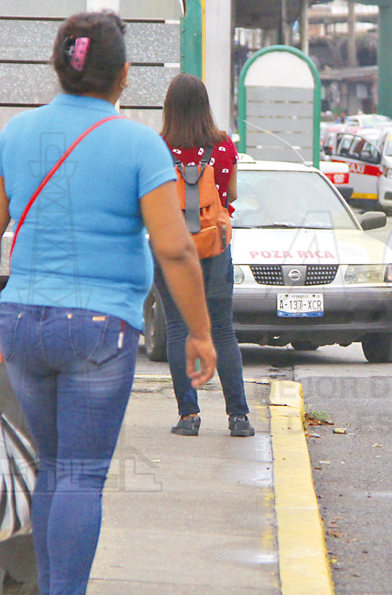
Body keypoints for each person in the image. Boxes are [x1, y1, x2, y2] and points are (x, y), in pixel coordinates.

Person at [0, 12, 217, 595]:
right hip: (99, 329)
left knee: (53, 468)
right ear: (124, 76)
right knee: (79, 474)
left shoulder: (16, 135)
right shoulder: (138, 145)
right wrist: (203, 332)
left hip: (23, 319)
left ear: (59, 67)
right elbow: (176, 246)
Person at [158, 73, 254, 438]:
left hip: (170, 250)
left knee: (179, 329)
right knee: (224, 331)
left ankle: (188, 416)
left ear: (169, 107)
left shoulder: (158, 147)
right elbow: (229, 195)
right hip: (215, 249)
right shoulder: (224, 146)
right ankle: (238, 417)